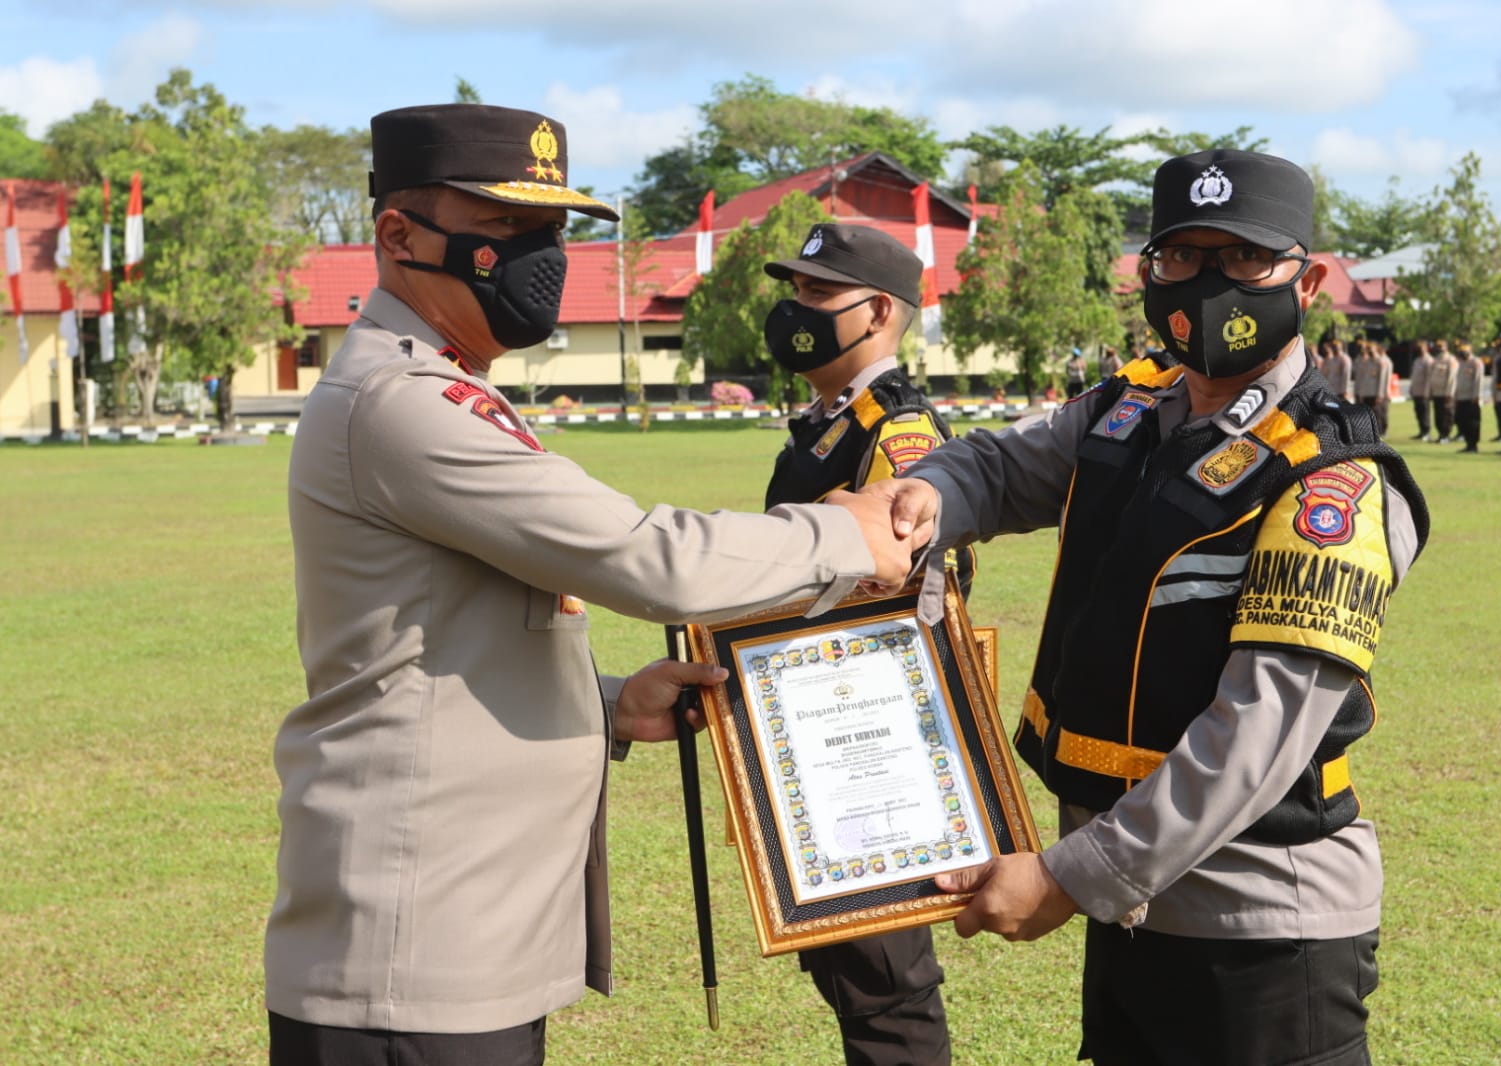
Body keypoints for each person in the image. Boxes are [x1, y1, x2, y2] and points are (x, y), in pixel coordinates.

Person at [265, 104, 922, 1066]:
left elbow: (438, 645)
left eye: (548, 232)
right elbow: (647, 558)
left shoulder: (444, 383)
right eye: (502, 230)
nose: (539, 258)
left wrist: (608, 704)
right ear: (397, 236)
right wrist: (847, 530)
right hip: (413, 947)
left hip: (456, 927)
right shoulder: (404, 402)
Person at [858, 149, 1428, 1065]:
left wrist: (1069, 877)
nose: (1208, 285)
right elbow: (996, 465)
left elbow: (1256, 736)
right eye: (1181, 257)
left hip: (1260, 930)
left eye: (1243, 259)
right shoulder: (1127, 410)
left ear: (1309, 279)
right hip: (1132, 911)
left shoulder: (1331, 482)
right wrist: (927, 495)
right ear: (1146, 272)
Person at [758, 221, 978, 1066]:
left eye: (817, 293)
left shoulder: (898, 434)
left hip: (867, 738)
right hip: (808, 729)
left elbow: (907, 589)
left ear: (877, 312)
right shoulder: (827, 422)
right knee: (845, 964)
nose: (796, 309)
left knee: (884, 980)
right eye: (798, 290)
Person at [1352, 340, 1393, 436]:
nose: (1369, 351)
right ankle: (1370, 433)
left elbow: (1382, 379)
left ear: (1376, 349)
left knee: (1377, 414)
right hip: (1366, 393)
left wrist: (1380, 395)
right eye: (1368, 349)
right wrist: (1361, 393)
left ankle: (1379, 432)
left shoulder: (1381, 362)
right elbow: (1364, 379)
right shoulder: (1366, 362)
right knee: (1367, 415)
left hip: (1375, 393)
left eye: (1371, 349)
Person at [1453, 341, 1484, 453]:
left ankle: (1473, 445)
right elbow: (1457, 381)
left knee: (1472, 423)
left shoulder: (1476, 363)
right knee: (1462, 422)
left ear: (1470, 351)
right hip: (1461, 397)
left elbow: (1478, 381)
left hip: (1472, 398)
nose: (1462, 354)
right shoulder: (1461, 363)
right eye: (1461, 351)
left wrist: (1476, 396)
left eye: (1465, 351)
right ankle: (1467, 444)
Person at [1427, 339, 1458, 443]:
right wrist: (1430, 391)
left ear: (1446, 347)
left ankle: (1446, 435)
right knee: (1438, 416)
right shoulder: (1435, 360)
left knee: (1446, 415)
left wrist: (1449, 393)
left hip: (1446, 394)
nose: (1439, 348)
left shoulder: (1451, 360)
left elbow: (1452, 378)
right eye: (1438, 346)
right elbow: (1431, 377)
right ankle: (1441, 435)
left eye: (1441, 346)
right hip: (1437, 393)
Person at [1408, 340, 1434, 440]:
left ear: (1426, 348)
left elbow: (1428, 378)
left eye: (1422, 347)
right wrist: (1412, 387)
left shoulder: (1429, 360)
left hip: (1424, 391)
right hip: (1417, 390)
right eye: (1418, 348)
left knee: (1425, 413)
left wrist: (1426, 391)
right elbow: (1414, 377)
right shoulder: (1417, 360)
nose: (1420, 350)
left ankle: (1427, 432)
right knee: (1418, 412)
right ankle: (1421, 431)